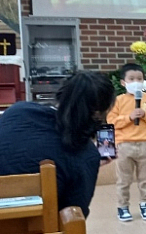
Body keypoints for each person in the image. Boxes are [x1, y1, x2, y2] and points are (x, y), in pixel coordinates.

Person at [0, 70, 115, 218]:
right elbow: (75, 218)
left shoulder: (18, 110)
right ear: (98, 112)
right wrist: (88, 165)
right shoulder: (84, 154)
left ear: (61, 92)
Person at [108, 62, 146, 222]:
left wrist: (145, 114)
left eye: (139, 79)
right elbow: (111, 121)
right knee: (124, 179)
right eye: (131, 79)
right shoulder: (118, 100)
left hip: (145, 145)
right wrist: (129, 117)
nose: (136, 82)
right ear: (123, 82)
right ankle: (123, 206)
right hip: (124, 145)